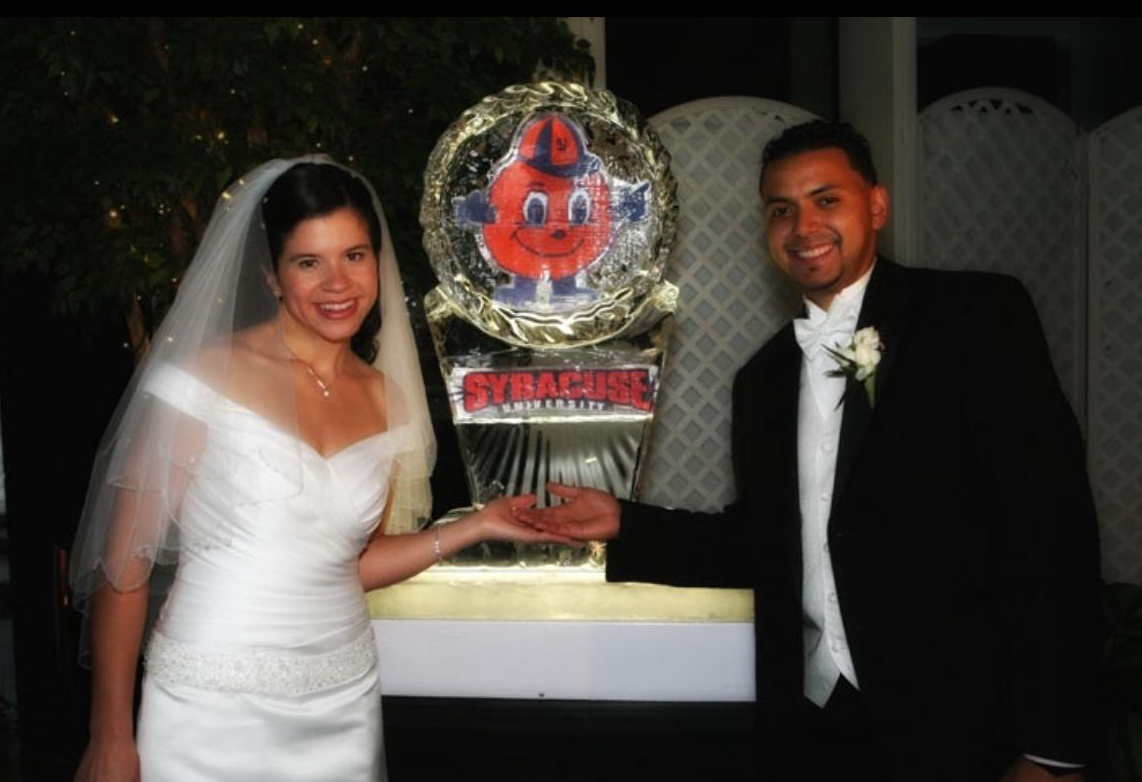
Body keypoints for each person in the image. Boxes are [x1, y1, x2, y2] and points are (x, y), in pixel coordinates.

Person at [523, 121, 1102, 781]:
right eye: (781, 209)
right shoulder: (763, 380)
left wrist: (1054, 748)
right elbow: (762, 541)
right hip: (815, 732)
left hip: (966, 729)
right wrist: (626, 522)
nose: (803, 226)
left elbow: (1050, 532)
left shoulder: (972, 317)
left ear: (876, 205)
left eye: (827, 199)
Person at [69, 157, 568, 782]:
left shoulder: (387, 398)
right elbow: (125, 569)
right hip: (210, 701)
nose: (339, 284)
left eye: (354, 256)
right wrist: (109, 734)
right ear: (271, 275)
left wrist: (472, 527)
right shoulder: (199, 379)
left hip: (341, 698)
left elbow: (348, 562)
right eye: (310, 262)